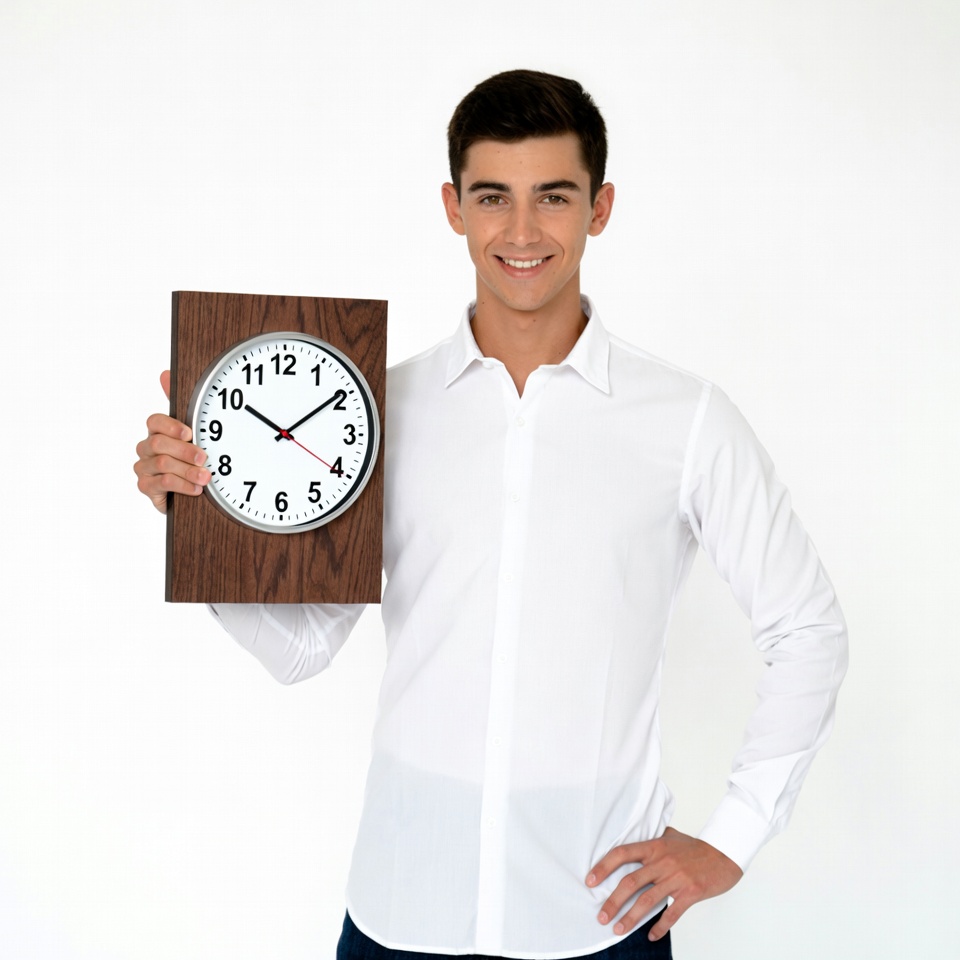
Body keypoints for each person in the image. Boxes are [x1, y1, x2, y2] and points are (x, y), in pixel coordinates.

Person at [134, 69, 847, 959]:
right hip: (400, 912)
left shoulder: (688, 419)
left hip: (596, 925)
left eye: (553, 197)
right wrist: (203, 519)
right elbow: (303, 647)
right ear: (453, 206)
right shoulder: (373, 412)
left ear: (600, 206)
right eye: (491, 197)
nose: (521, 232)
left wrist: (730, 842)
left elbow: (807, 627)